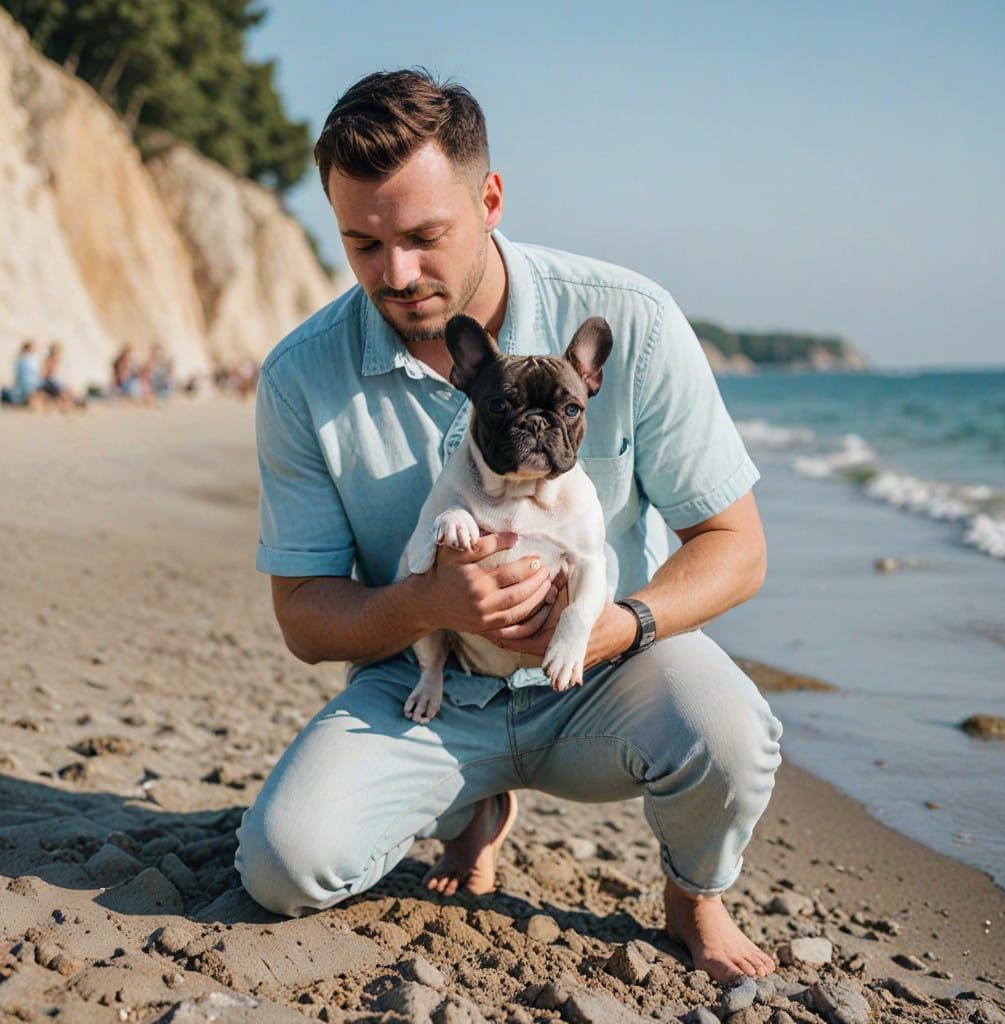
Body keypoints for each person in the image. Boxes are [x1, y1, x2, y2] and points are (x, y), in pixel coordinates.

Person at [234, 70, 783, 983]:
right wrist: (424, 603)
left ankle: (694, 896)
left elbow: (738, 547)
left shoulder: (633, 320)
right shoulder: (302, 377)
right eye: (362, 244)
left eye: (422, 237)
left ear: (489, 198)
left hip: (603, 671)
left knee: (733, 733)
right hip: (430, 685)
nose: (397, 275)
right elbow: (303, 618)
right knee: (282, 866)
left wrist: (618, 627)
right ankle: (471, 811)